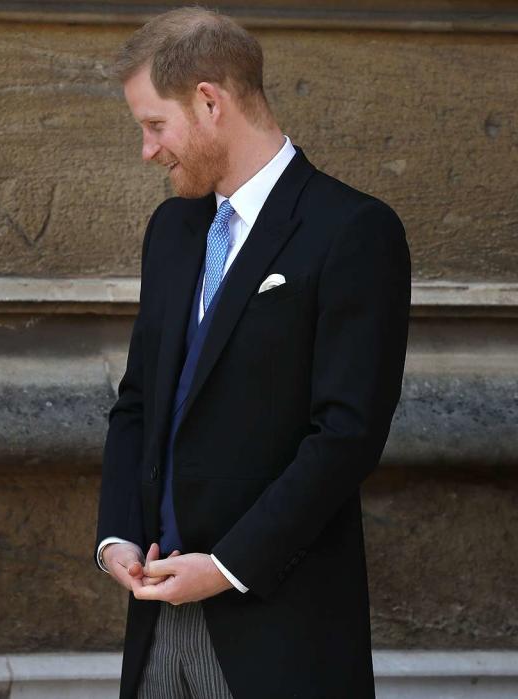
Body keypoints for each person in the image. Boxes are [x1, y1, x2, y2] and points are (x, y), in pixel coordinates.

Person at [95, 7, 410, 699]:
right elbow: (140, 401)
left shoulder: (352, 231)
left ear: (210, 101)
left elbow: (346, 436)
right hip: (155, 630)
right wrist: (115, 536)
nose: (148, 149)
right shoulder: (173, 228)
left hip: (278, 630)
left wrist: (228, 565)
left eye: (155, 125)